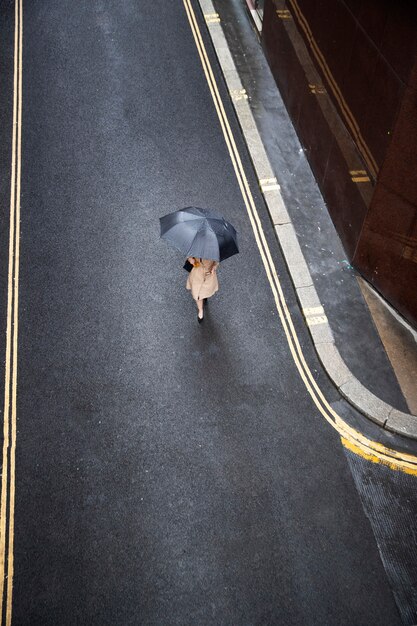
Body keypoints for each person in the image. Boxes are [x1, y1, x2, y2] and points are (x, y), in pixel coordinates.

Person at [186, 257, 219, 323]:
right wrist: (190, 259)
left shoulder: (213, 250)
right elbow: (189, 254)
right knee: (197, 295)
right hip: (197, 273)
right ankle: (200, 310)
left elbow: (217, 260)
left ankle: (204, 297)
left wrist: (214, 267)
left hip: (208, 274)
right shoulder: (196, 247)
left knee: (204, 292)